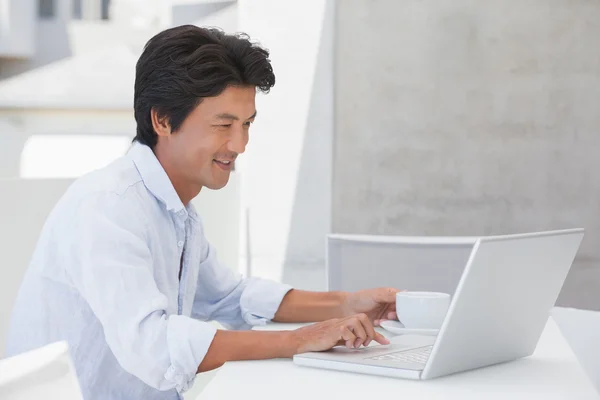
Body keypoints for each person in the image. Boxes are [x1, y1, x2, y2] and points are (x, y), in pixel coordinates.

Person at [5, 25, 400, 399]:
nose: (240, 144)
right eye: (223, 124)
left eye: (247, 124)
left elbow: (230, 297)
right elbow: (155, 346)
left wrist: (347, 304)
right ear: (162, 119)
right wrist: (300, 339)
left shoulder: (177, 212)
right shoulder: (107, 206)